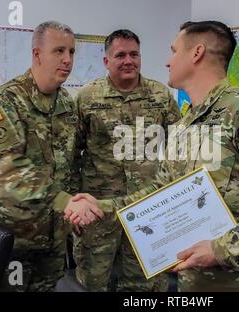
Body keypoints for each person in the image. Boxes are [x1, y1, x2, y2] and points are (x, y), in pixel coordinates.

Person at [68, 21, 239, 292]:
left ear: (196, 53)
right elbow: (161, 192)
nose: (167, 61)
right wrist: (99, 206)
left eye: (174, 51)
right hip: (198, 281)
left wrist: (225, 248)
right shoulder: (185, 125)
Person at [0, 21, 103, 292]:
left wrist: (76, 209)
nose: (67, 60)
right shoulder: (7, 101)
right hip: (12, 236)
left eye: (71, 52)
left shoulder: (67, 103)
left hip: (52, 238)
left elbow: (69, 165)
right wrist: (66, 202)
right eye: (58, 51)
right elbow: (8, 169)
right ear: (37, 54)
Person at [73, 29, 181, 291]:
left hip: (147, 206)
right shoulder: (87, 97)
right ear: (106, 61)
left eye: (134, 54)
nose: (128, 60)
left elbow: (181, 146)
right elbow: (71, 154)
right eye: (120, 55)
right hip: (99, 208)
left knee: (144, 282)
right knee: (93, 281)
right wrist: (74, 202)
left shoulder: (160, 95)